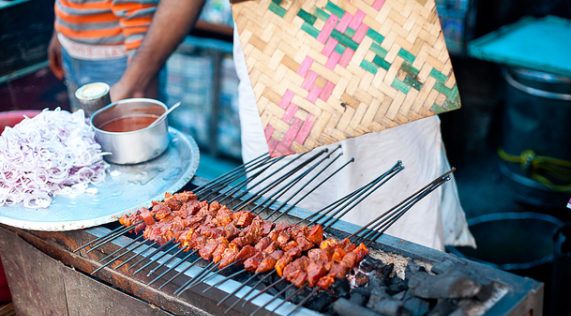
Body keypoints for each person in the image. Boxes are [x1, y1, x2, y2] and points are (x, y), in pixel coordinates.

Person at [100, 0, 475, 251]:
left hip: (380, 51)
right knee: (287, 231)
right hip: (279, 72)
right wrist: (135, 79)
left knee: (401, 230)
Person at [47, 0, 207, 108]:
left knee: (127, 144)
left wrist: (136, 83)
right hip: (71, 49)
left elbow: (138, 13)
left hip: (118, 60)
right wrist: (59, 29)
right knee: (86, 138)